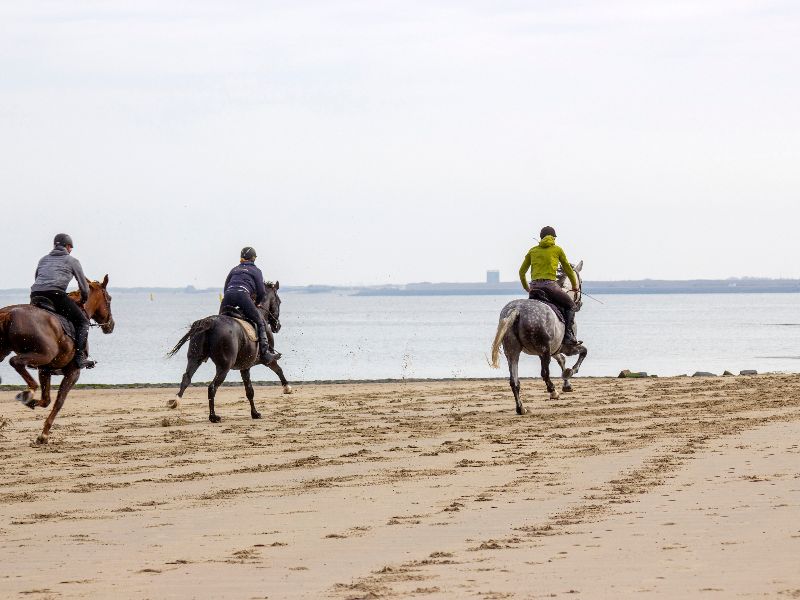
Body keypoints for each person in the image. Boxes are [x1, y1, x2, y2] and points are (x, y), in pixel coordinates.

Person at [30, 233, 95, 368]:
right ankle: (79, 358)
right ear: (68, 246)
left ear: (55, 245)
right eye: (70, 247)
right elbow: (84, 287)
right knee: (83, 322)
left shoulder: (43, 260)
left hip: (36, 294)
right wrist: (83, 299)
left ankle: (33, 353)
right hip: (56, 296)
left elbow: (37, 278)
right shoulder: (72, 261)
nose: (71, 250)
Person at [519, 226, 581, 346]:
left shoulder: (532, 250)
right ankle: (568, 336)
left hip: (534, 288)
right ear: (553, 238)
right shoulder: (557, 250)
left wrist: (527, 288)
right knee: (571, 306)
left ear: (541, 238)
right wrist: (574, 286)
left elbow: (521, 272)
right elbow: (568, 270)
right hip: (550, 287)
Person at [219, 247, 280, 365]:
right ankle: (265, 353)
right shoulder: (256, 270)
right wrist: (257, 302)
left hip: (228, 296)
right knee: (260, 321)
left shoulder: (234, 269)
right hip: (242, 296)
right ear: (253, 258)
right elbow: (262, 292)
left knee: (220, 322)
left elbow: (226, 287)